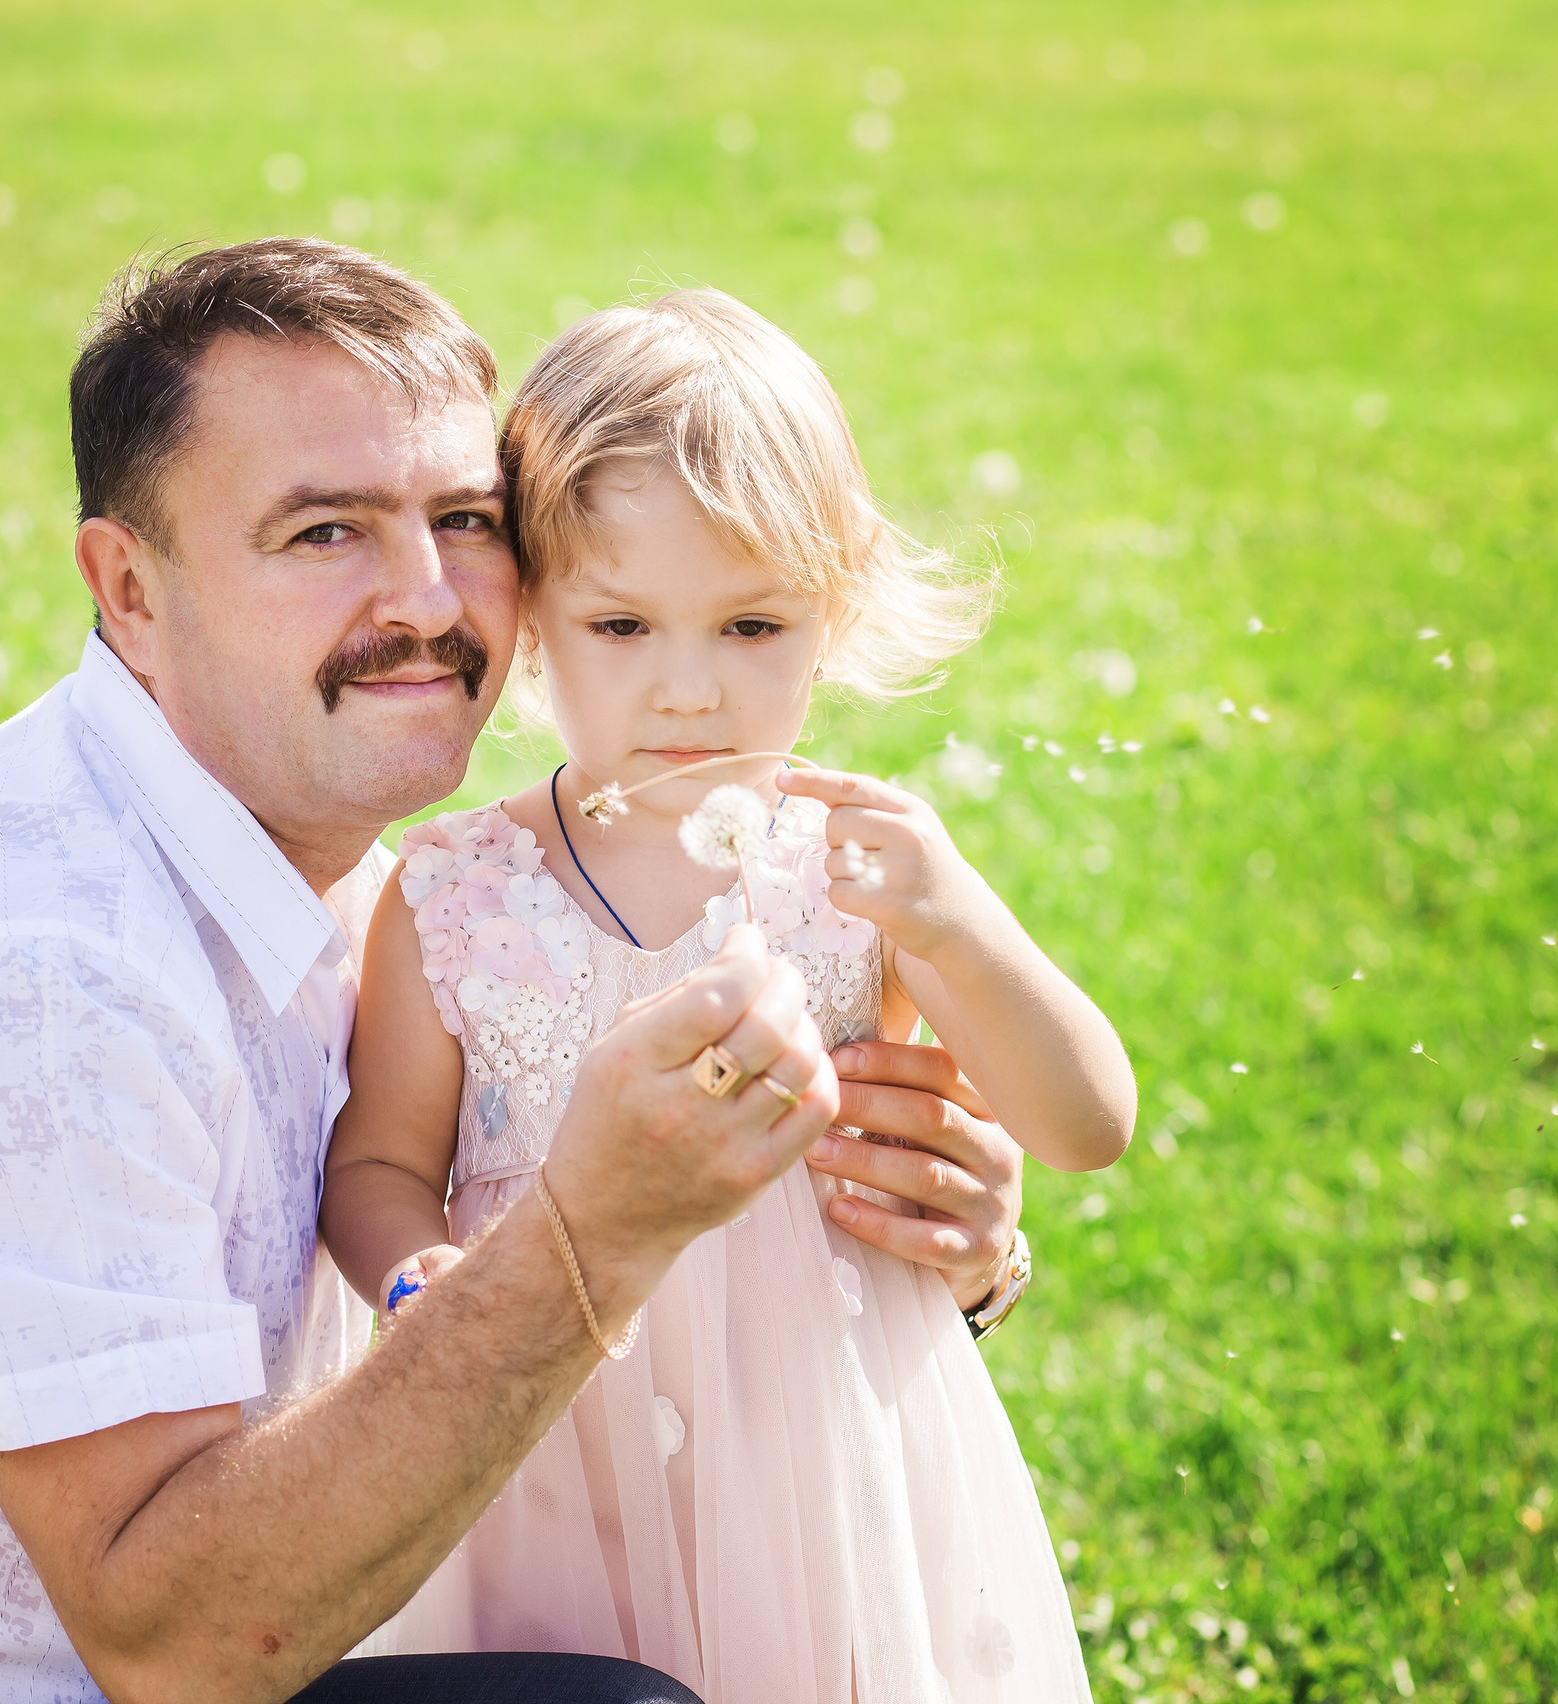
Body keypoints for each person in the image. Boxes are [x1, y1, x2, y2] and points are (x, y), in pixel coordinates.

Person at [0, 239, 1035, 1704]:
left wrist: (906, 1252)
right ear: (129, 586)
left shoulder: (363, 867)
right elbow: (179, 1648)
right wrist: (594, 1232)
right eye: (325, 533)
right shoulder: (34, 971)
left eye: (461, 518)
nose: (431, 602)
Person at [319, 288, 1133, 1702]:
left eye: (752, 628)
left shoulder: (862, 870)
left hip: (819, 1458)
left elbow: (1083, 1124)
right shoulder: (452, 890)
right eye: (624, 626)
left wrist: (966, 928)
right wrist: (420, 1284)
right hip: (546, 1457)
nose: (689, 692)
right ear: (531, 620)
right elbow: (381, 1158)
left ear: (837, 610)